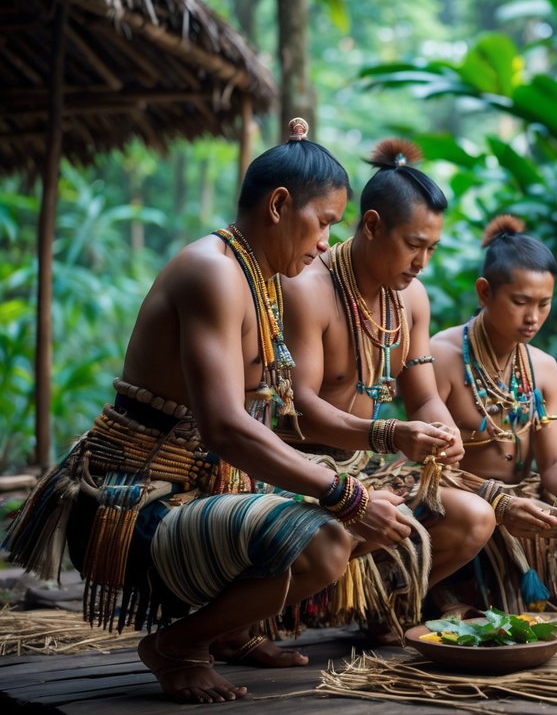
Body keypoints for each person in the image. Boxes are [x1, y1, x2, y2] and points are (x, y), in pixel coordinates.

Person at [5, 119, 417, 703]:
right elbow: (225, 427)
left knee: (373, 518)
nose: (328, 240)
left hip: (197, 496)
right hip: (133, 503)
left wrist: (370, 464)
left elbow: (274, 418)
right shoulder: (215, 272)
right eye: (324, 222)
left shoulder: (264, 278)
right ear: (279, 205)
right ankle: (177, 646)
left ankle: (232, 633)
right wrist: (343, 493)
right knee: (327, 539)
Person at [281, 138, 495, 631]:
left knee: (474, 518)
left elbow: (421, 396)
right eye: (413, 245)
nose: (422, 262)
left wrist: (443, 433)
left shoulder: (411, 298)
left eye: (432, 248)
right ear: (372, 225)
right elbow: (299, 407)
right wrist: (390, 434)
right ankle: (269, 616)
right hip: (300, 470)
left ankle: (381, 612)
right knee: (352, 525)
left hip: (370, 466)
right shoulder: (309, 288)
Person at [428, 216, 557, 611]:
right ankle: (424, 596)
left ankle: (515, 601)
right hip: (459, 506)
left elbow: (555, 461)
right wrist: (496, 501)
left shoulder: (542, 367)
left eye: (544, 303)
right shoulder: (442, 355)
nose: (533, 317)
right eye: (520, 302)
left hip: (526, 504)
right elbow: (428, 467)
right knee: (475, 518)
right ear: (485, 292)